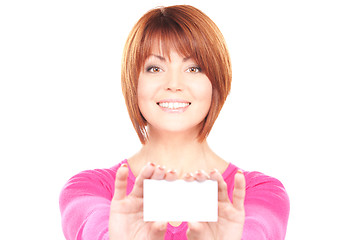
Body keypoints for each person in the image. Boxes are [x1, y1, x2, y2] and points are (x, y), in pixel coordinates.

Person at [59, 5, 290, 240]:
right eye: (155, 68)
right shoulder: (87, 189)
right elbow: (93, 226)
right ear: (133, 83)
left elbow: (259, 229)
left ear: (217, 83)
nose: (174, 83)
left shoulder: (261, 192)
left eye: (194, 68)